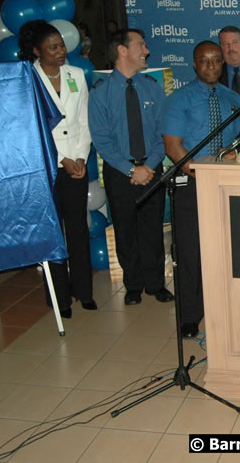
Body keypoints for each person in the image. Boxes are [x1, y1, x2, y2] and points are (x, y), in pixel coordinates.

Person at [162, 41, 240, 338]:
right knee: (190, 251)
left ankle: (225, 307)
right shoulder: (178, 100)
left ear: (223, 64)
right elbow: (173, 146)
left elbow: (238, 143)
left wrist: (234, 154)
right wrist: (199, 174)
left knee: (227, 251)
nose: (211, 67)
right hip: (191, 184)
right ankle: (190, 315)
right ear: (194, 64)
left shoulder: (234, 99)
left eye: (216, 61)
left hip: (225, 186)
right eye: (204, 61)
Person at [88, 28, 175, 306]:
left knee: (152, 228)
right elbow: (101, 140)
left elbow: (165, 132)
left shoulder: (151, 87)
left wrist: (148, 166)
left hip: (151, 169)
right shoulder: (101, 93)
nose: (146, 51)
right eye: (141, 45)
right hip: (119, 172)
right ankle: (133, 285)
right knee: (125, 230)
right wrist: (129, 170)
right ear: (122, 50)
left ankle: (156, 284)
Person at [18, 19, 95, 318]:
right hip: (47, 166)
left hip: (77, 162)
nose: (60, 51)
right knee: (52, 232)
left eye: (61, 45)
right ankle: (59, 297)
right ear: (37, 51)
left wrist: (80, 157)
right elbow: (32, 127)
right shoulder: (28, 79)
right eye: (52, 47)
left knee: (77, 228)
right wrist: (63, 158)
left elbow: (85, 120)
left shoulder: (76, 74)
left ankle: (84, 291)